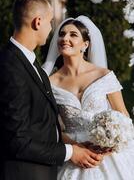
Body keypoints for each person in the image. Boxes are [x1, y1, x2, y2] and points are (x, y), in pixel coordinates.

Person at [0, 0, 103, 180]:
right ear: (38, 22)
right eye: (50, 22)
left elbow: (45, 123)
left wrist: (75, 145)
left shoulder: (33, 66)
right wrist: (70, 152)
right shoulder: (10, 66)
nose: (51, 29)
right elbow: (17, 141)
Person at [42, 15, 134, 180]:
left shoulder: (104, 75)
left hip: (108, 156)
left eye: (73, 35)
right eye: (62, 34)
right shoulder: (49, 83)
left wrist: (108, 148)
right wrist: (76, 148)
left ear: (85, 45)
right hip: (74, 154)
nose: (65, 38)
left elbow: (123, 116)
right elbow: (53, 127)